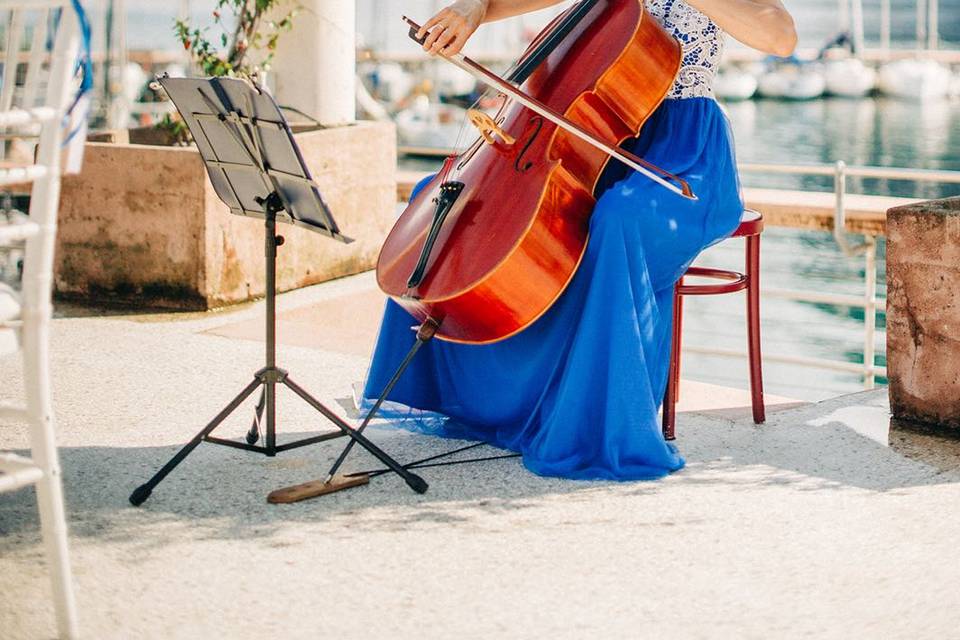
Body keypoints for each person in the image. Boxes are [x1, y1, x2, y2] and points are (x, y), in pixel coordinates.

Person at [361, 0, 797, 480]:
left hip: (682, 155)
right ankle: (482, 400)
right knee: (440, 195)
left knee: (619, 216)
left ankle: (596, 426)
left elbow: (781, 37)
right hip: (595, 144)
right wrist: (475, 9)